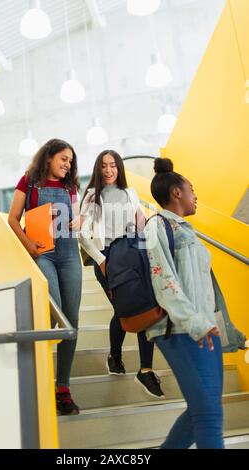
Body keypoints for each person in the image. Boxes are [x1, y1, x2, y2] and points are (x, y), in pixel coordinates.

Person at [144, 157, 225, 448]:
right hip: (180, 329)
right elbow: (163, 282)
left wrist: (211, 324)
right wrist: (195, 323)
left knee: (201, 413)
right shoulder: (157, 227)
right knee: (208, 416)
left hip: (202, 327)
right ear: (176, 193)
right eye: (191, 189)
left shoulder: (187, 231)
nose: (195, 195)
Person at [79, 150, 164, 398]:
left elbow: (141, 224)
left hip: (132, 255)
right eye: (104, 165)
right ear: (98, 168)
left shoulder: (130, 193)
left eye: (113, 165)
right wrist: (101, 260)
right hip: (108, 258)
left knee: (144, 307)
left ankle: (145, 370)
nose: (108, 170)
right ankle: (116, 356)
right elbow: (82, 234)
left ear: (119, 169)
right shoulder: (93, 196)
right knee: (126, 309)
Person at [8, 138, 82, 415]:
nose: (68, 164)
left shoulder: (70, 186)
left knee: (72, 321)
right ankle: (38, 378)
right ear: (49, 157)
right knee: (57, 312)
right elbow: (13, 218)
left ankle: (62, 388)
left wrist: (79, 219)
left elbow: (76, 216)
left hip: (69, 253)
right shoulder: (29, 181)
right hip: (43, 253)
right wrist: (29, 246)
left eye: (71, 161)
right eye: (64, 158)